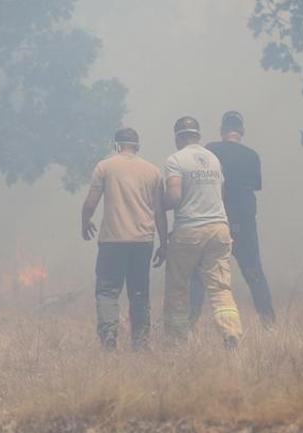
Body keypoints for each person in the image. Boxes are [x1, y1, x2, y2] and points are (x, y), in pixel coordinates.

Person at [81, 127, 167, 351]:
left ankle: (109, 334)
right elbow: (159, 212)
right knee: (139, 292)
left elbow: (91, 203)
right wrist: (164, 244)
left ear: (116, 145)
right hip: (142, 242)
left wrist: (85, 221)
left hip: (112, 241)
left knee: (107, 291)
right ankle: (140, 342)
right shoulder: (153, 172)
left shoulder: (105, 166)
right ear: (137, 147)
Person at [163, 116, 243, 349]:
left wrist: (158, 204)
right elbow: (222, 193)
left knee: (178, 288)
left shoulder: (176, 160)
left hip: (189, 230)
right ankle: (231, 333)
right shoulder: (213, 159)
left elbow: (175, 196)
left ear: (178, 136)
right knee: (220, 289)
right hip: (219, 228)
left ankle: (177, 341)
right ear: (197, 135)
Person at [190, 111, 276, 326]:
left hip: (216, 219)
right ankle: (268, 322)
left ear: (221, 131)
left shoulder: (210, 151)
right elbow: (255, 186)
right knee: (254, 272)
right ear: (242, 132)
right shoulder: (252, 156)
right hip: (245, 223)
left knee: (200, 273)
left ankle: (190, 323)